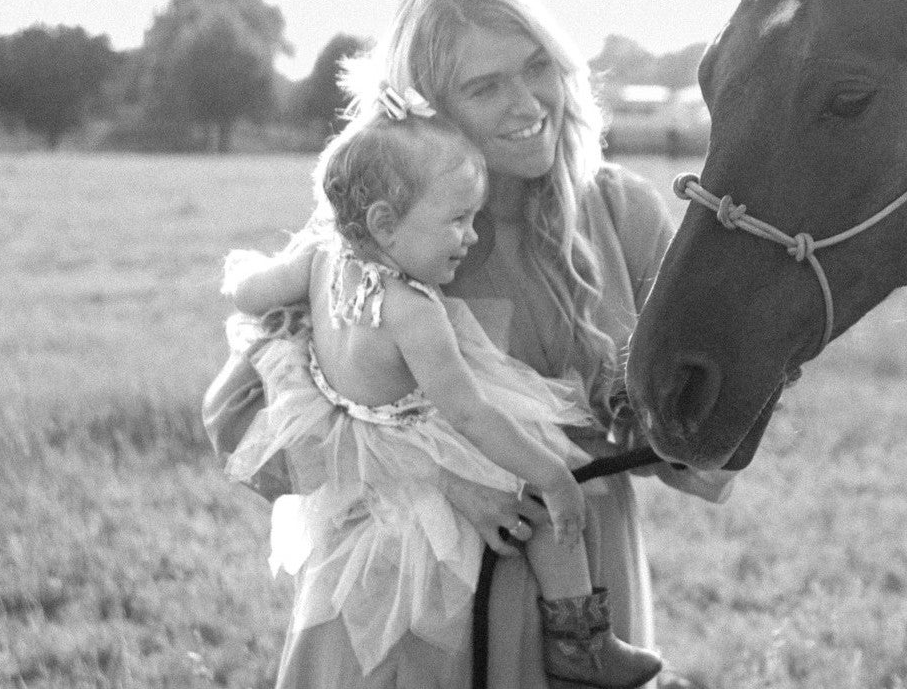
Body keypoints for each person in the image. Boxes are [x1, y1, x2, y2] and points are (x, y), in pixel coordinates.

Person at [204, 0, 734, 688]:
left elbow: (710, 460)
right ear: (426, 112)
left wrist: (659, 423)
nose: (528, 103)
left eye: (536, 66)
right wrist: (444, 475)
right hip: (411, 617)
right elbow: (235, 421)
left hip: (583, 597)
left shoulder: (624, 215)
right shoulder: (382, 240)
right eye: (485, 87)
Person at [223, 94, 664, 689]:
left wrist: (244, 284)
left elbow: (251, 293)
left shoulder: (319, 259)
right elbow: (470, 412)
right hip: (423, 433)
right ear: (383, 223)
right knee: (543, 499)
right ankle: (580, 640)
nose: (471, 237)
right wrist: (552, 474)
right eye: (457, 221)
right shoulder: (412, 311)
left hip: (356, 429)